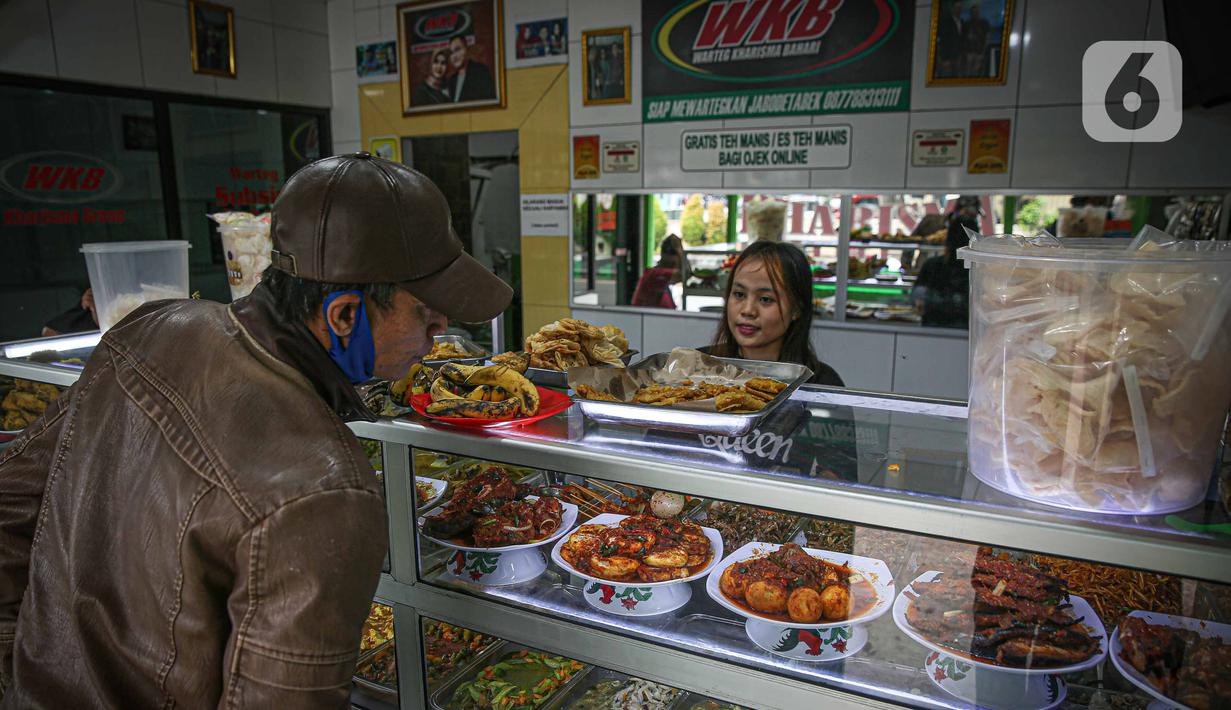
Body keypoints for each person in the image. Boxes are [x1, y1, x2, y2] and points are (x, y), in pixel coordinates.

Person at [0, 153, 513, 706]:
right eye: (425, 310)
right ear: (343, 316)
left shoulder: (151, 328)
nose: (441, 327)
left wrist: (19, 668)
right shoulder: (326, 490)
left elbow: (8, 506)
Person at [705, 241, 843, 386]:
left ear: (796, 309)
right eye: (739, 294)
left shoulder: (822, 383)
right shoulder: (698, 367)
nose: (748, 310)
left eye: (766, 299)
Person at [912, 213, 976, 328]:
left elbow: (917, 296)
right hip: (965, 332)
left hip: (931, 329)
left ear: (948, 240)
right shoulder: (977, 272)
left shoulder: (931, 265)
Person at [631, 234, 685, 309]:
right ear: (665, 257)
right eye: (675, 262)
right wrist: (680, 252)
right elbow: (683, 275)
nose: (677, 265)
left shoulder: (663, 282)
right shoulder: (653, 275)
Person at [447, 35, 495, 103]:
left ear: (466, 49)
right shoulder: (452, 80)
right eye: (451, 53)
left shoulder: (481, 71)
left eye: (457, 49)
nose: (454, 56)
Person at [935, 0, 964, 77]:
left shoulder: (962, 22)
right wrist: (944, 58)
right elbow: (943, 40)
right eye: (957, 8)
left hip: (958, 57)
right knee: (946, 76)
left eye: (960, 8)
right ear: (952, 9)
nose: (959, 10)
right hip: (947, 57)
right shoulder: (945, 22)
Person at [961, 3, 991, 76]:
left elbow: (987, 37)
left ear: (979, 12)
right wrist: (964, 51)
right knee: (967, 72)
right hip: (968, 52)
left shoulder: (984, 23)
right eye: (973, 12)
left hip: (979, 52)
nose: (974, 13)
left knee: (976, 72)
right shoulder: (966, 24)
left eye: (976, 12)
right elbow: (963, 38)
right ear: (970, 13)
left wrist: (983, 51)